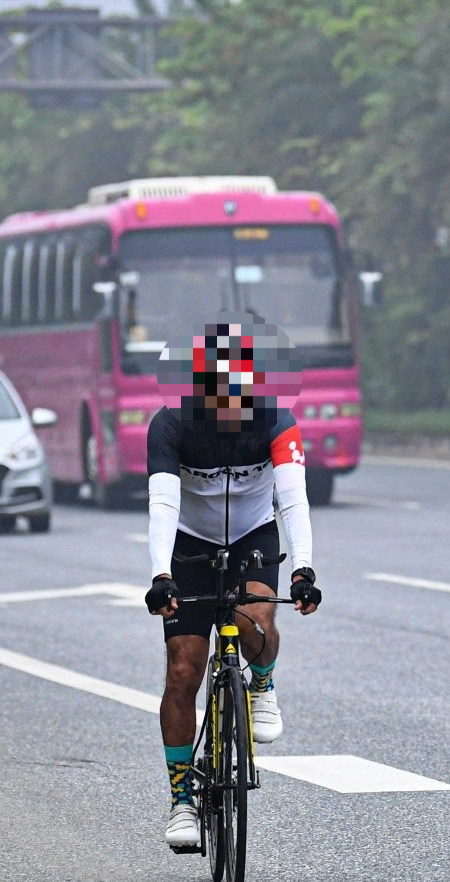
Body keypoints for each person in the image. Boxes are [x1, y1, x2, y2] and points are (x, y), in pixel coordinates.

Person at [145, 315, 323, 849]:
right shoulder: (171, 424)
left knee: (256, 617)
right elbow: (162, 502)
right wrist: (160, 575)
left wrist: (304, 569)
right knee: (182, 671)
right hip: (189, 543)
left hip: (252, 535)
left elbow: (292, 498)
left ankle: (262, 683)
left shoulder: (276, 420)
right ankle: (182, 800)